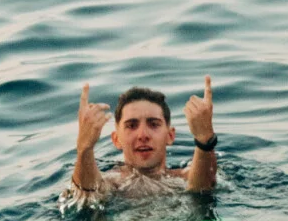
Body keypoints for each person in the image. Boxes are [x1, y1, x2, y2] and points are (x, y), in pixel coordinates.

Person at [68, 78, 218, 206]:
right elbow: (86, 194)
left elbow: (203, 186)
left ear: (170, 136)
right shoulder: (112, 183)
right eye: (132, 126)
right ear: (116, 139)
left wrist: (204, 139)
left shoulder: (184, 178)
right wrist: (85, 149)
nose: (143, 135)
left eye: (153, 124)